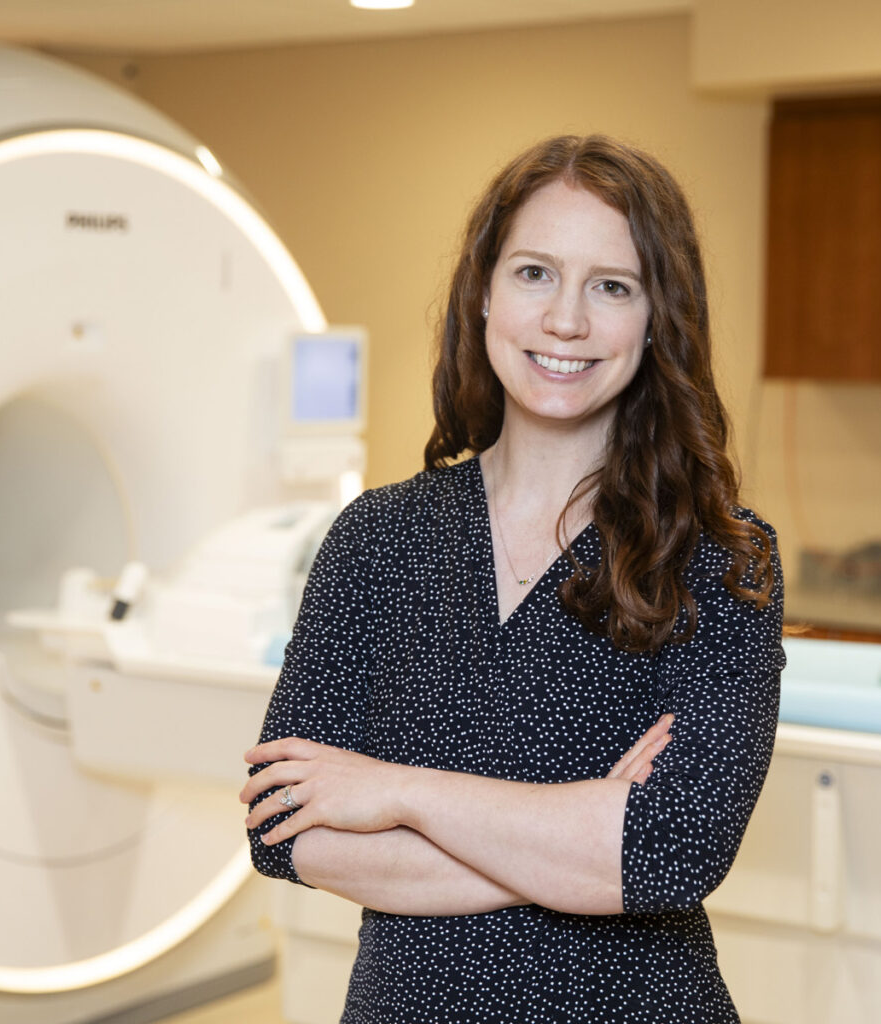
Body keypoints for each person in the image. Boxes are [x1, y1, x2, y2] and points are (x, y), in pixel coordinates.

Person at [240, 134, 783, 1022]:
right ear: (484, 293)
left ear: (658, 318)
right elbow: (281, 832)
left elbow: (671, 853)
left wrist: (398, 791)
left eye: (612, 286)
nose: (565, 320)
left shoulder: (720, 559)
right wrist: (579, 834)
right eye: (534, 273)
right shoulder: (378, 539)